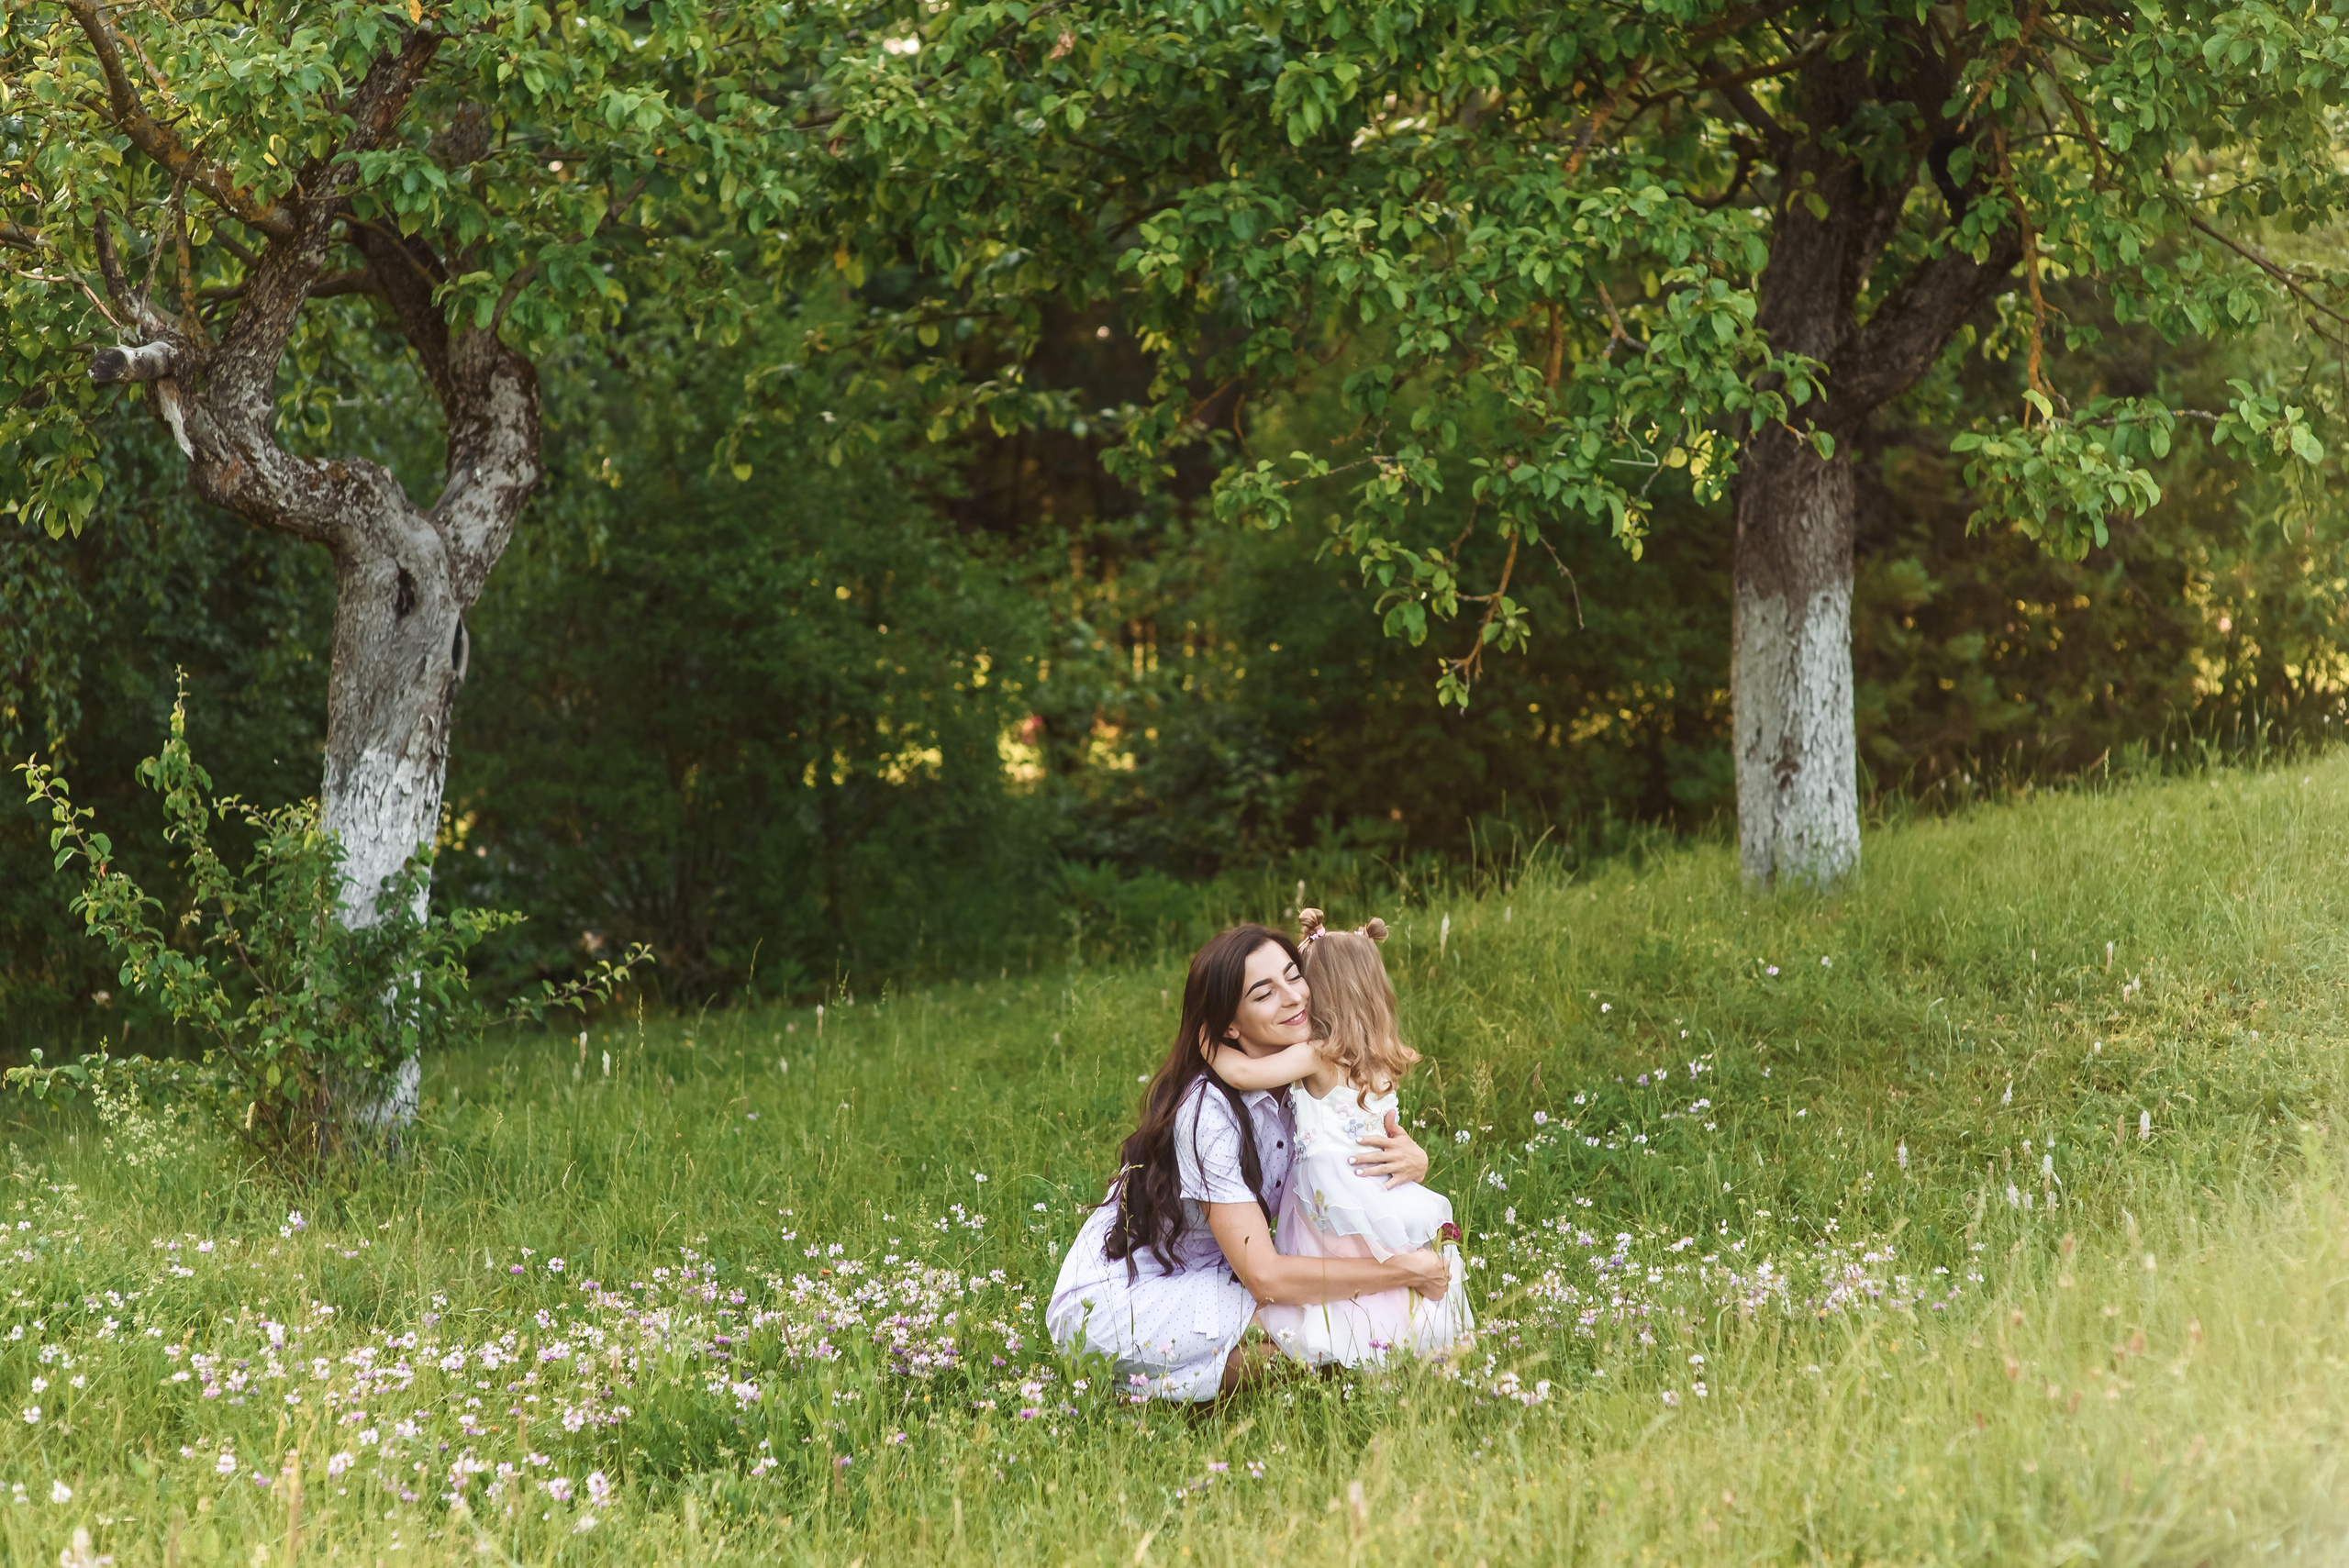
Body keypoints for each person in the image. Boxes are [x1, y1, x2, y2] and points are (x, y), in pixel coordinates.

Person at [1046, 924, 1453, 1402]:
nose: (1293, 998)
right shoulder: (1207, 1113)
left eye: (1293, 976)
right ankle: (1130, 1387)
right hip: (1121, 1299)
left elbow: (1352, 1147)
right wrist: (1403, 1271)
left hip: (1210, 1273)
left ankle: (1167, 1381)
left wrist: (1413, 1159)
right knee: (1318, 1338)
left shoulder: (1306, 1078)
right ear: (1229, 1026)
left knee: (1349, 1326)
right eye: (1264, 993)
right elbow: (1265, 1276)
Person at [1208, 909, 1473, 1365]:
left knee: (1341, 1289)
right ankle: (1404, 1352)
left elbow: (1243, 1072)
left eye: (1300, 980)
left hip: (1330, 1195)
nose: (1295, 998)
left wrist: (1207, 1038)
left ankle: (1354, 1354)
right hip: (1377, 1190)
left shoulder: (1315, 1055)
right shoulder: (1384, 1058)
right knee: (1383, 1272)